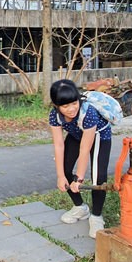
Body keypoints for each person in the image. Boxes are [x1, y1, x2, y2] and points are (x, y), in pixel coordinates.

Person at [49, 79, 111, 238]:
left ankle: (96, 216)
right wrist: (61, 176)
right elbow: (58, 145)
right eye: (65, 106)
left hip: (99, 136)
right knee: (64, 168)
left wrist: (79, 179)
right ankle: (81, 208)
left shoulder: (88, 112)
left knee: (98, 176)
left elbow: (85, 150)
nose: (71, 109)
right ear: (56, 106)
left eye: (74, 103)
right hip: (76, 134)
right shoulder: (54, 116)